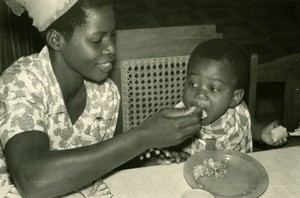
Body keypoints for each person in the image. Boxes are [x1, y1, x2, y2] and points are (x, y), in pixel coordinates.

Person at [0, 0, 203, 197]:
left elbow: (100, 160)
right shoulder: (21, 82)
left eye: (112, 35)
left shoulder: (106, 94)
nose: (112, 50)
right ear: (56, 40)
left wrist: (144, 162)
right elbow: (32, 181)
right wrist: (143, 137)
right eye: (97, 40)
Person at [142, 39, 288, 165]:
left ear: (234, 98)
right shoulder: (178, 120)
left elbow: (249, 124)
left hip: (234, 178)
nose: (200, 95)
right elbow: (163, 150)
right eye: (193, 84)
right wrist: (170, 156)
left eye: (213, 88)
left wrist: (262, 133)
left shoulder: (238, 113)